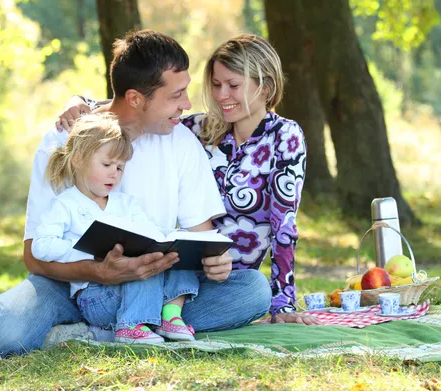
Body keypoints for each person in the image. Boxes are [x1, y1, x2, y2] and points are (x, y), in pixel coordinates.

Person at [0, 30, 271, 365]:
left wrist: (214, 261)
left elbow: (200, 237)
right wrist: (98, 272)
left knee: (252, 290)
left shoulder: (181, 142)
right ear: (135, 98)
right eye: (176, 95)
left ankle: (84, 336)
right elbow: (34, 254)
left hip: (150, 285)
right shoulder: (65, 142)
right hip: (70, 286)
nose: (187, 103)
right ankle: (116, 331)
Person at [57, 34, 320, 325]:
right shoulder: (201, 127)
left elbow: (284, 227)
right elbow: (143, 106)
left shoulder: (285, 137)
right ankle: (156, 319)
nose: (221, 95)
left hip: (227, 281)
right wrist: (82, 102)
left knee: (256, 291)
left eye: (233, 85)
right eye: (216, 84)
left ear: (267, 87)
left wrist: (282, 304)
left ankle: (138, 322)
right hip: (175, 271)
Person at [32, 112, 198, 343]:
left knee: (175, 258)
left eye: (120, 168)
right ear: (78, 160)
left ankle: (171, 316)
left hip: (130, 289)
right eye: (107, 164)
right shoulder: (66, 204)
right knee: (141, 270)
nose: (114, 173)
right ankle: (130, 326)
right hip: (96, 295)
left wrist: (170, 240)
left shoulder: (126, 203)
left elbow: (150, 232)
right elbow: (41, 247)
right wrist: (90, 251)